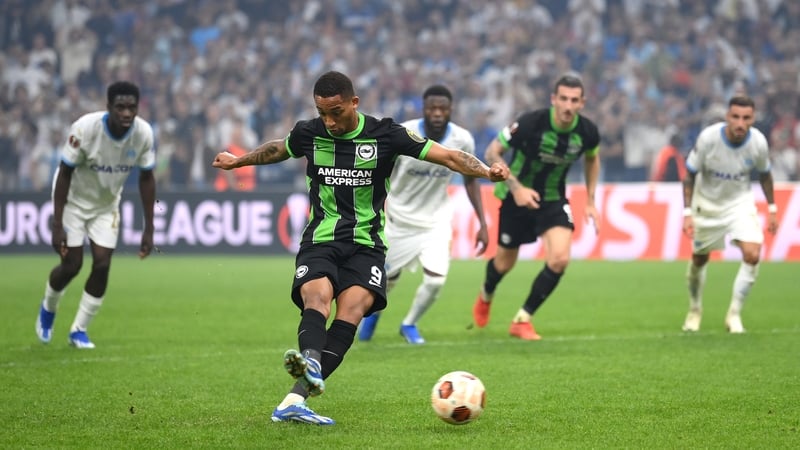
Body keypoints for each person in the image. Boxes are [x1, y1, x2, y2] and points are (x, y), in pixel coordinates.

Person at [211, 71, 508, 425]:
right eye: (322, 112)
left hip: (366, 244)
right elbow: (278, 148)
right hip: (321, 238)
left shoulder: (386, 134)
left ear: (354, 102)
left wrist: (488, 171)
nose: (329, 121)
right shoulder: (310, 132)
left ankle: (293, 400)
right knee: (317, 297)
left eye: (336, 112)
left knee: (351, 311)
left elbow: (448, 157)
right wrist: (238, 161)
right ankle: (312, 362)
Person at [472, 74, 601, 341]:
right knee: (505, 263)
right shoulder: (530, 123)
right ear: (554, 99)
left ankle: (522, 319)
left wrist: (590, 200)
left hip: (553, 199)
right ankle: (486, 294)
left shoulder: (587, 132)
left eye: (574, 100)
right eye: (563, 99)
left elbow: (592, 159)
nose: (567, 105)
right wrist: (516, 188)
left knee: (560, 259)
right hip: (515, 197)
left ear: (582, 103)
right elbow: (492, 152)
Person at [357, 85, 489, 345]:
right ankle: (372, 316)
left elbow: (471, 180)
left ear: (451, 110)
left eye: (443, 108)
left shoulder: (462, 140)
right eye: (432, 108)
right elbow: (380, 172)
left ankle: (409, 324)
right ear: (424, 110)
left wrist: (483, 222)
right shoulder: (404, 133)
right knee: (387, 282)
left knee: (436, 281)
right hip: (399, 221)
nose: (437, 113)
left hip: (436, 223)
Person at [35, 81, 156, 349]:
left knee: (102, 264)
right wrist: (57, 224)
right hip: (74, 202)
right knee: (72, 265)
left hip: (106, 205)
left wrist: (149, 228)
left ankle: (79, 330)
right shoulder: (84, 129)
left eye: (131, 107)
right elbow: (64, 173)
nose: (126, 113)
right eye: (120, 107)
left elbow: (147, 179)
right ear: (108, 107)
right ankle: (49, 306)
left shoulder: (144, 134)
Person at [681, 95, 779, 334]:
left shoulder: (758, 142)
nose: (740, 123)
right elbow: (690, 173)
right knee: (700, 259)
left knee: (753, 253)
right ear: (727, 116)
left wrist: (773, 208)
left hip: (739, 204)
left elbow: (765, 174)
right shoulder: (708, 139)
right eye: (735, 117)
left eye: (746, 118)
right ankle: (695, 310)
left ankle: (734, 314)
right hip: (708, 204)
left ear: (753, 119)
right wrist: (687, 212)